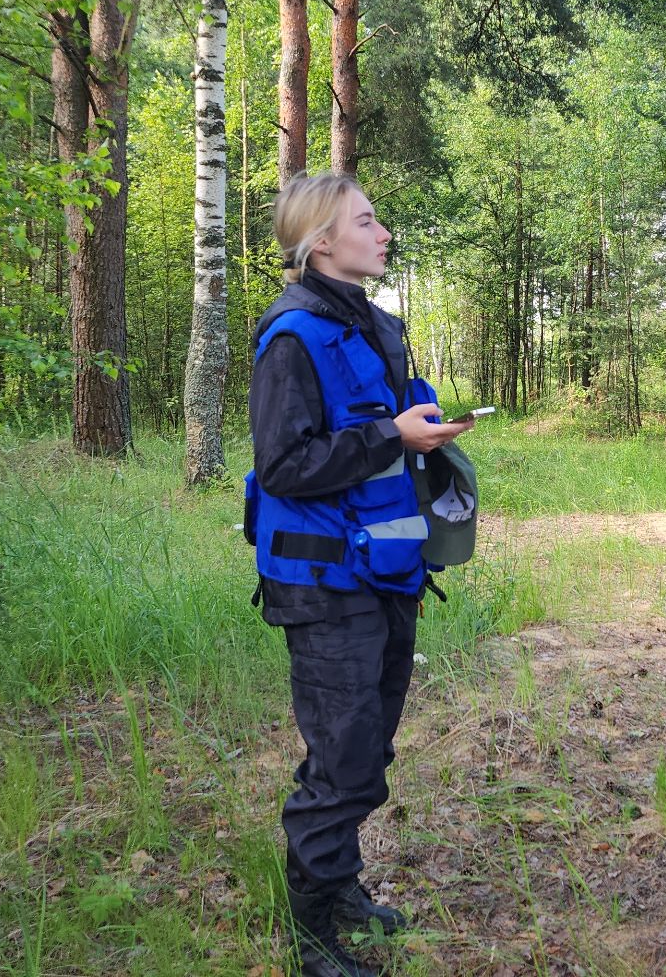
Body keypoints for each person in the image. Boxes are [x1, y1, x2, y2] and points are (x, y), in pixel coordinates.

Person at [245, 172, 474, 976]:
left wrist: (429, 436)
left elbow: (383, 432)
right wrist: (392, 443)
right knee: (342, 756)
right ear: (321, 242)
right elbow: (282, 465)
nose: (383, 234)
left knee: (364, 753)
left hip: (386, 572)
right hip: (321, 584)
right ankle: (313, 943)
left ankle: (339, 888)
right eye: (367, 221)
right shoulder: (291, 336)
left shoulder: (379, 327)